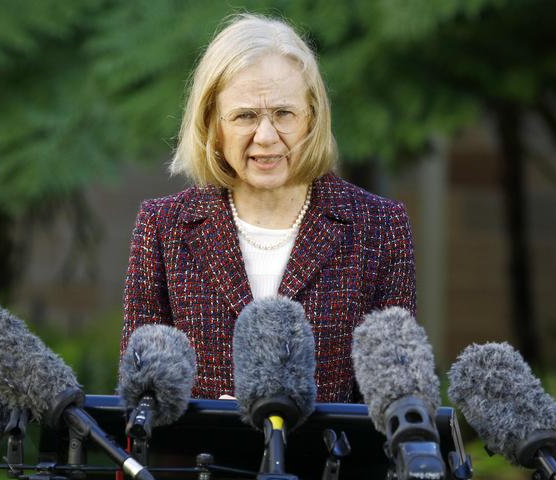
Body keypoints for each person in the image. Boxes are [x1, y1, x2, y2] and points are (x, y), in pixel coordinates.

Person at [120, 13, 415, 403]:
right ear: (213, 124)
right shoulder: (162, 228)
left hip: (328, 462)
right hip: (201, 463)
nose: (266, 136)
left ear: (311, 118)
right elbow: (138, 399)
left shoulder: (380, 228)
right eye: (245, 116)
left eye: (283, 114)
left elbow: (394, 398)